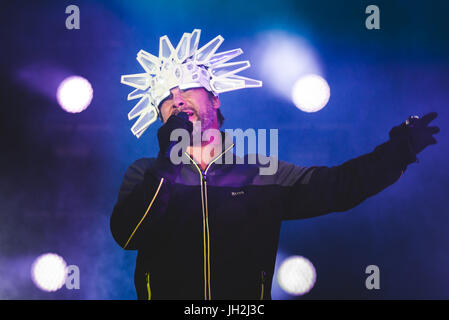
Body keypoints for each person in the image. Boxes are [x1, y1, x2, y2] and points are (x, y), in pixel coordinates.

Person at [110, 30, 440, 300]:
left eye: (187, 89)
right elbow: (129, 234)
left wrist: (400, 151)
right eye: (167, 99)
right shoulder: (144, 174)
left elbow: (340, 187)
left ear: (215, 98)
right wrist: (170, 157)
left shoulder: (260, 173)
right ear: (160, 116)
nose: (178, 100)